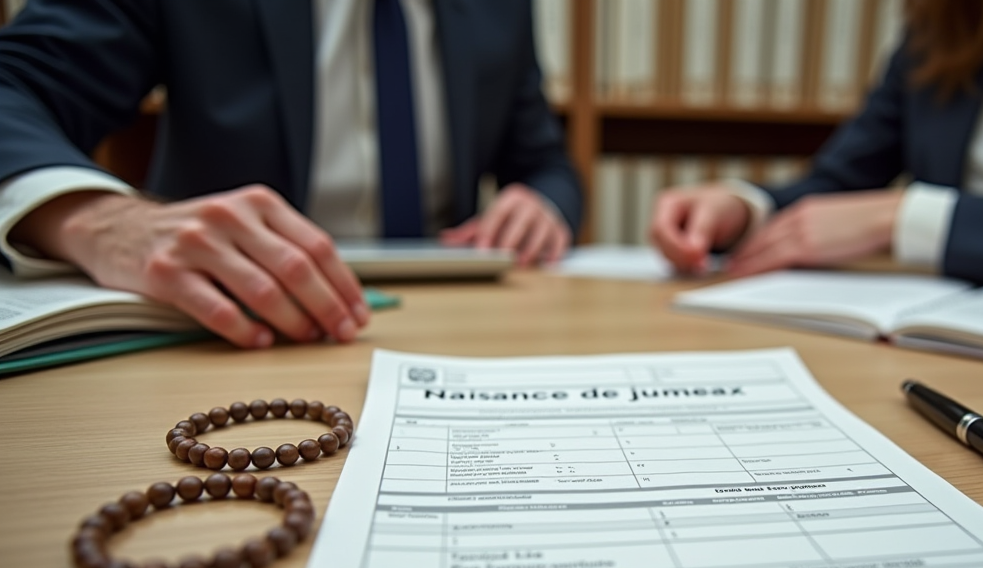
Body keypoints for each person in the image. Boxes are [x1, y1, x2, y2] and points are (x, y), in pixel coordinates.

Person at [0, 0, 583, 348]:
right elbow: (14, 89)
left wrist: (542, 201)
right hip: (231, 325)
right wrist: (105, 222)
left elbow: (546, 164)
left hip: (453, 326)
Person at [650, 0, 983, 306]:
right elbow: (843, 183)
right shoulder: (942, 25)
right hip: (942, 347)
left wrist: (912, 218)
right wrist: (746, 208)